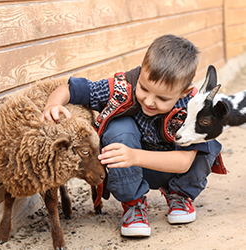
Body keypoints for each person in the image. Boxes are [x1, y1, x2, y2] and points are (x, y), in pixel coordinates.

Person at [42, 34, 222, 237]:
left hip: (170, 167)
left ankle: (179, 195)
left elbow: (183, 162)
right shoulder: (123, 88)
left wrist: (135, 156)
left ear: (183, 92)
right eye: (144, 88)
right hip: (130, 169)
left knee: (208, 141)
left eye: (162, 98)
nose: (149, 101)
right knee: (119, 125)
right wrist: (53, 105)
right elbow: (70, 89)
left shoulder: (192, 108)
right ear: (142, 71)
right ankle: (133, 204)